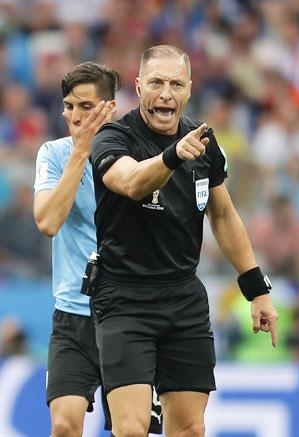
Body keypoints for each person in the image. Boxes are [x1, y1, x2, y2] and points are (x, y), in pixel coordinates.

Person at [89, 45, 279, 436]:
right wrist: (173, 156)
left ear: (189, 88)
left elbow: (223, 215)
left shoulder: (204, 146)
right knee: (131, 428)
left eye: (176, 83)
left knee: (190, 428)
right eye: (156, 83)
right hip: (124, 298)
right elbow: (131, 182)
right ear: (139, 87)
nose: (165, 93)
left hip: (183, 299)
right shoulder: (113, 137)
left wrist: (256, 289)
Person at [33, 62, 162, 436]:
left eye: (86, 107)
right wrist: (80, 153)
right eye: (69, 106)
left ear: (110, 108)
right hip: (73, 314)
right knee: (64, 424)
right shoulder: (54, 155)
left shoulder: (136, 156)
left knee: (132, 431)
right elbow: (47, 222)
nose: (75, 115)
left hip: (131, 314)